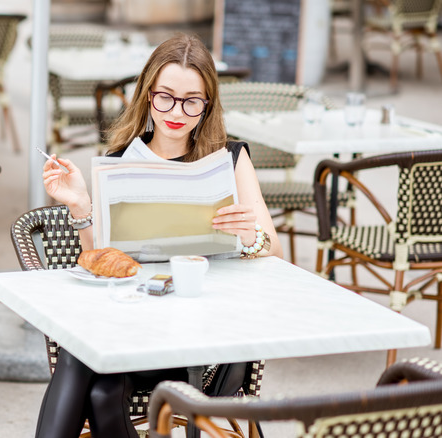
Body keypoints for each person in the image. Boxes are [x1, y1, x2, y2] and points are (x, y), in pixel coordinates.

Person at [36, 33, 283, 438]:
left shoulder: (229, 159)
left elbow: (275, 251)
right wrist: (81, 206)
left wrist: (250, 235)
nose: (176, 111)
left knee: (83, 364)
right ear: (148, 95)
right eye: (165, 96)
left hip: (210, 340)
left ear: (207, 105)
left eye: (191, 101)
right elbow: (105, 262)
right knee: (97, 386)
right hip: (138, 326)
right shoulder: (121, 163)